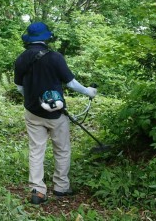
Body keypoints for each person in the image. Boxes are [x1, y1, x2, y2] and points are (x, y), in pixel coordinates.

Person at [13, 22, 97, 204]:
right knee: (62, 149)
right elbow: (71, 84)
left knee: (36, 150)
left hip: (32, 112)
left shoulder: (21, 59)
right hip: (57, 114)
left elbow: (20, 87)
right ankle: (61, 186)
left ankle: (37, 190)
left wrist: (33, 99)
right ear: (46, 38)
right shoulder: (55, 57)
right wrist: (89, 91)